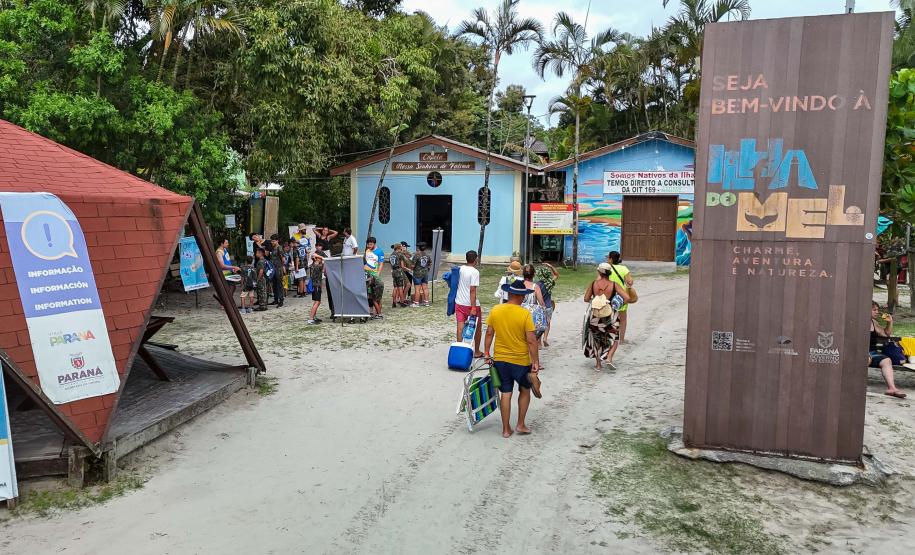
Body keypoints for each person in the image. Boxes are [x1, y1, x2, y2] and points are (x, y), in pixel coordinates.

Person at [484, 278, 542, 438]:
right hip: (521, 361)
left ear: (509, 294)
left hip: (501, 360)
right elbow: (531, 340)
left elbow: (489, 333)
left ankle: (505, 429)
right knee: (524, 390)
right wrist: (535, 361)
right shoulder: (525, 314)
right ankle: (521, 424)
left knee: (506, 393)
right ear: (520, 296)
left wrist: (487, 353)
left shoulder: (496, 310)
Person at [583, 263, 630, 370]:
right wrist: (616, 305)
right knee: (615, 338)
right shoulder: (614, 285)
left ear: (599, 272)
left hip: (595, 315)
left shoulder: (593, 284)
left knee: (596, 339)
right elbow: (627, 298)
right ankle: (609, 358)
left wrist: (596, 301)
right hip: (611, 315)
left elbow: (586, 298)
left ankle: (598, 365)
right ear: (609, 273)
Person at [870, 301, 907, 399]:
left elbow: (886, 334)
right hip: (859, 351)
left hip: (872, 352)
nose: (877, 312)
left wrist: (890, 322)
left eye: (877, 310)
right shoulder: (857, 322)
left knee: (887, 360)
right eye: (874, 310)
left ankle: (892, 388)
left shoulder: (873, 322)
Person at [455, 250, 483, 356]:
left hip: (459, 301)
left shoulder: (461, 269)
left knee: (460, 324)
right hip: (470, 303)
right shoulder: (475, 272)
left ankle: (459, 348)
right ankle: (476, 351)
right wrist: (473, 307)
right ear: (476, 259)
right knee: (477, 326)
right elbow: (472, 290)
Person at [607, 251, 634, 343]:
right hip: (621, 296)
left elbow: (599, 280)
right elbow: (630, 281)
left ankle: (609, 338)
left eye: (608, 258)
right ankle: (621, 339)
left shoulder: (607, 268)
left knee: (608, 317)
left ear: (610, 259)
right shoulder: (624, 269)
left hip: (608, 295)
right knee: (623, 318)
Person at [535, 263, 559, 347]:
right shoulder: (549, 282)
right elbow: (556, 274)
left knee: (539, 324)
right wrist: (551, 266)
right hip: (548, 306)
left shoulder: (537, 285)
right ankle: (545, 338)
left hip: (539, 306)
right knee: (547, 323)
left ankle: (539, 343)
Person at [364, 236, 385, 319]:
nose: (369, 246)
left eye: (370, 244)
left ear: (374, 244)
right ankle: (371, 310)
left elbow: (381, 264)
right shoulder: (367, 251)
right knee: (369, 294)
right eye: (368, 244)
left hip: (375, 275)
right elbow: (366, 263)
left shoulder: (379, 252)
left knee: (377, 295)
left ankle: (378, 312)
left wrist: (378, 274)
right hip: (368, 275)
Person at [307, 254, 325, 324]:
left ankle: (314, 317)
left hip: (314, 285)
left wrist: (315, 257)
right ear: (317, 259)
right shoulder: (318, 266)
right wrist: (320, 257)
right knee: (317, 302)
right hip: (317, 285)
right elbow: (325, 260)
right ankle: (311, 319)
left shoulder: (312, 265)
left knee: (317, 301)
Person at [411, 242, 431, 307]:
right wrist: (427, 269)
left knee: (417, 289)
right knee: (425, 288)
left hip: (417, 274)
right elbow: (430, 263)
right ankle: (427, 302)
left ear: (418, 247)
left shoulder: (416, 255)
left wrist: (411, 268)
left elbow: (413, 265)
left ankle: (416, 303)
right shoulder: (427, 255)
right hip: (425, 273)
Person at [269, 234, 286, 308]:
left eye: (273, 241)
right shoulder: (273, 248)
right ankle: (276, 299)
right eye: (271, 241)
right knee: (274, 284)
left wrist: (283, 267)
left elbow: (283, 259)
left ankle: (281, 300)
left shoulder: (280, 248)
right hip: (273, 269)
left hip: (278, 268)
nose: (272, 242)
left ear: (277, 241)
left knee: (279, 285)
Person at [389, 243, 407, 308]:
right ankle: (402, 302)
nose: (402, 247)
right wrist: (406, 269)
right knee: (400, 287)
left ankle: (394, 302)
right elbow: (402, 266)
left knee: (395, 287)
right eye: (401, 246)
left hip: (393, 271)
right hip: (399, 271)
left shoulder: (391, 255)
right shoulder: (400, 255)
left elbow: (391, 264)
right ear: (399, 248)